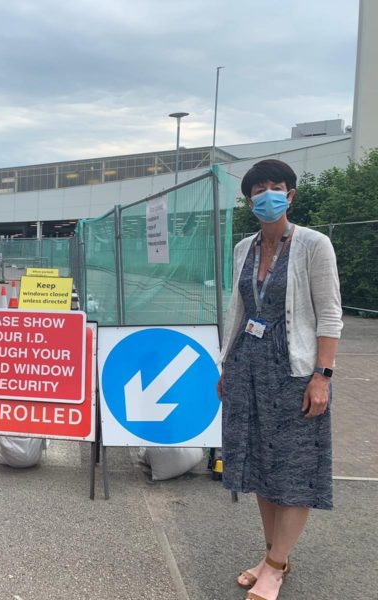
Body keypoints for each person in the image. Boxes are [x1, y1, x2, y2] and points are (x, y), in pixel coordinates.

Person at [217, 159, 342, 600]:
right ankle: (274, 556)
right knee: (260, 466)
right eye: (258, 189)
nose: (266, 194)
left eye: (276, 187)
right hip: (247, 366)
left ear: (289, 195)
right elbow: (239, 313)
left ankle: (273, 567)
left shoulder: (313, 244)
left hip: (294, 371)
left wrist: (322, 377)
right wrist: (226, 365)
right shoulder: (243, 248)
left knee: (294, 469)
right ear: (249, 199)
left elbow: (330, 315)